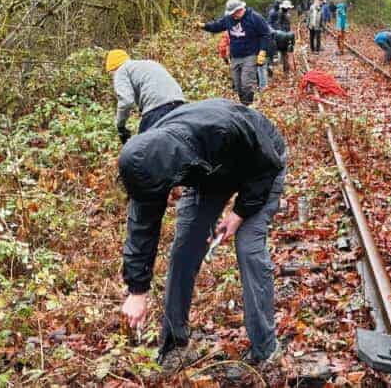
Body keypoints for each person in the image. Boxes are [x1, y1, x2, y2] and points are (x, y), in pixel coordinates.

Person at [117, 99, 287, 375]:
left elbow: (266, 165)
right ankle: (175, 342)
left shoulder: (221, 130)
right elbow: (142, 228)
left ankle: (265, 350)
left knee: (249, 249)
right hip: (207, 173)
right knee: (184, 249)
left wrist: (240, 213)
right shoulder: (148, 161)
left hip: (261, 161)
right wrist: (137, 290)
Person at [200, 0, 271, 105]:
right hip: (235, 56)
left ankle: (248, 107)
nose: (234, 15)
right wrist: (204, 26)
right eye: (232, 13)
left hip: (250, 54)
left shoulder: (255, 18)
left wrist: (262, 51)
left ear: (241, 9)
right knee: (238, 85)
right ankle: (244, 105)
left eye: (235, 13)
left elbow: (265, 34)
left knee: (246, 83)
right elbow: (217, 26)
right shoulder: (229, 19)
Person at [105, 50, 186, 144]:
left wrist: (120, 126)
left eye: (111, 74)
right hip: (180, 104)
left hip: (158, 109)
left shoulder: (121, 70)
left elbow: (126, 101)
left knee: (143, 150)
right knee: (177, 144)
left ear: (113, 68)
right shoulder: (148, 64)